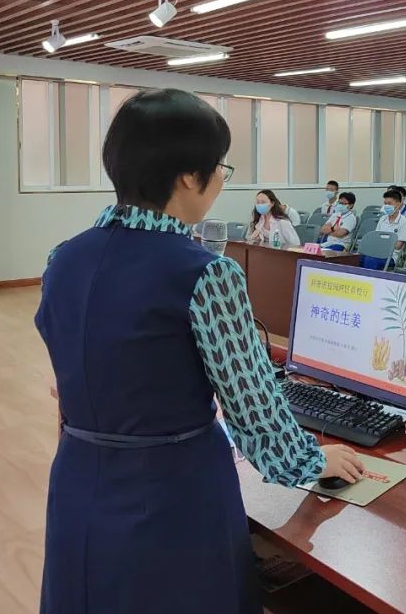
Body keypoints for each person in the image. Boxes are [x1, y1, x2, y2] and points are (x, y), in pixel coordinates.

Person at [35, 89, 362, 614]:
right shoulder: (207, 274)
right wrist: (311, 460)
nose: (221, 179)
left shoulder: (62, 259)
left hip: (78, 476)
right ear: (190, 176)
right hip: (172, 491)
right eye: (220, 167)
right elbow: (253, 406)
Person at [360, 189, 406, 270]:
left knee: (370, 260)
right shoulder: (382, 219)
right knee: (356, 258)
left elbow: (398, 245)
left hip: (392, 256)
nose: (386, 206)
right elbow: (376, 238)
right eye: (385, 203)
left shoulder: (403, 221)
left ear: (398, 204)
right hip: (377, 252)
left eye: (389, 203)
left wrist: (382, 244)